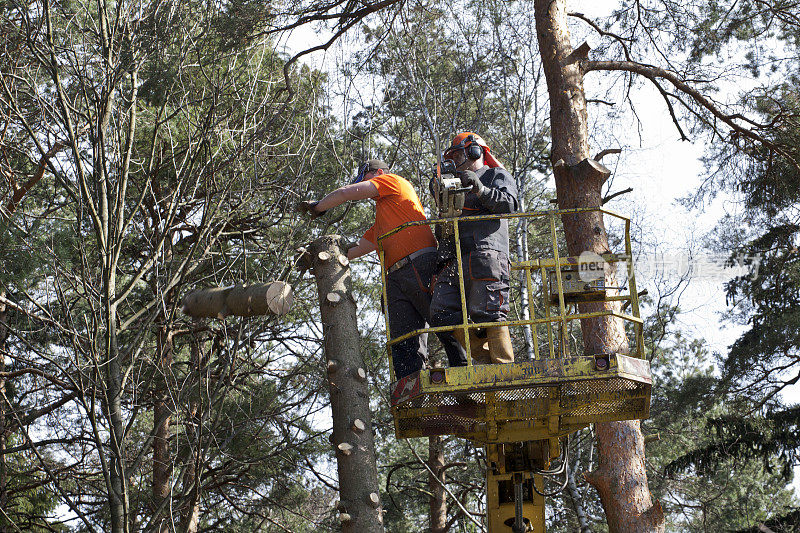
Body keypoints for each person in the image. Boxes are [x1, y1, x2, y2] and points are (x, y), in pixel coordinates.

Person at [297, 159, 467, 379]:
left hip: (419, 264)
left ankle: (464, 370)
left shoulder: (394, 181)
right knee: (403, 338)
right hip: (396, 276)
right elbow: (353, 250)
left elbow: (348, 192)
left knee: (442, 321)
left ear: (378, 173)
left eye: (365, 179)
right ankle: (410, 387)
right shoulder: (383, 221)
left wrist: (318, 207)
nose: (364, 187)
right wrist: (315, 258)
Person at [429, 133, 519, 364]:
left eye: (459, 154)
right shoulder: (453, 183)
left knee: (488, 312)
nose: (456, 159)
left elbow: (510, 205)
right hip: (454, 257)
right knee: (442, 312)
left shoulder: (495, 174)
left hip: (486, 252)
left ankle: (502, 368)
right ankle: (485, 361)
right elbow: (444, 228)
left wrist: (481, 189)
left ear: (475, 151)